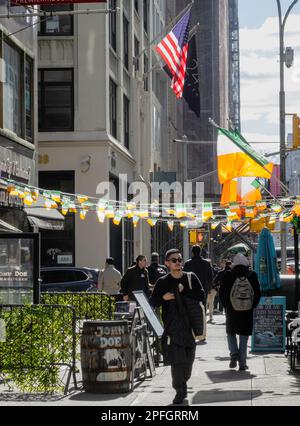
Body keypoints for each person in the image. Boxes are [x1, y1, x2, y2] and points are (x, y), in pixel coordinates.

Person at [150, 249, 205, 405]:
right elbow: (152, 302)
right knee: (177, 361)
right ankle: (179, 390)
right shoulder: (162, 282)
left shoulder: (190, 278)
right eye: (174, 260)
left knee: (188, 362)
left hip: (190, 327)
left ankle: (183, 382)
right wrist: (163, 297)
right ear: (167, 263)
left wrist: (185, 290)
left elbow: (201, 295)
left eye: (180, 259)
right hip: (172, 329)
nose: (178, 262)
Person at [219, 253, 261, 371]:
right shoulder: (252, 275)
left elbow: (222, 293)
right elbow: (258, 292)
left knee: (231, 333)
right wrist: (253, 305)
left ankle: (234, 354)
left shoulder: (228, 275)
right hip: (247, 311)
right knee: (244, 336)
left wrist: (227, 306)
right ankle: (242, 363)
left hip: (232, 310)